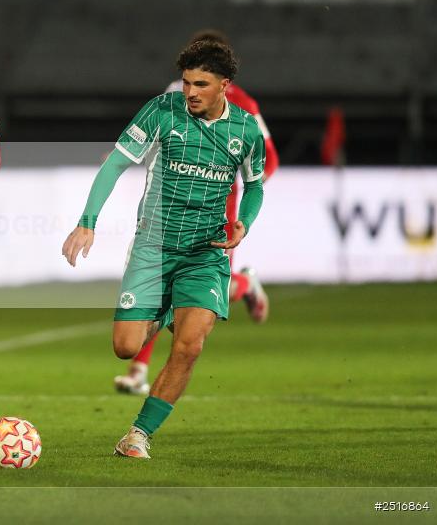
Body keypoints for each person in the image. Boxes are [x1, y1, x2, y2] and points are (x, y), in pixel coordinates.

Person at [62, 39, 265, 459]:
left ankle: (138, 434)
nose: (190, 92)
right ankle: (168, 309)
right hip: (153, 246)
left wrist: (244, 222)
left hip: (206, 251)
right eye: (187, 82)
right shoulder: (162, 110)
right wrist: (87, 221)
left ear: (224, 85)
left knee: (189, 346)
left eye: (201, 84)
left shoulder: (246, 130)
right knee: (126, 347)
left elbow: (255, 185)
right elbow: (116, 163)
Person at [114, 29, 279, 396]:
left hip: (219, 209)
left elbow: (269, 159)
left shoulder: (244, 106)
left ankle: (244, 285)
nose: (192, 88)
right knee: (162, 284)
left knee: (202, 290)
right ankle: (139, 369)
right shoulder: (176, 93)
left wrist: (241, 185)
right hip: (169, 203)